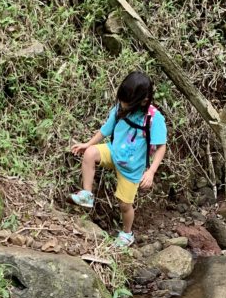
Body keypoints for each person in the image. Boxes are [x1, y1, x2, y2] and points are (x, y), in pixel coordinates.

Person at [69, 71, 167, 247]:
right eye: (122, 99)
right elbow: (105, 130)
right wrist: (87, 144)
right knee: (90, 153)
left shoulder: (154, 118)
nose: (122, 104)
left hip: (132, 169)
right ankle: (87, 194)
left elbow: (161, 146)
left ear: (143, 100)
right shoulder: (120, 108)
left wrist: (151, 171)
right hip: (113, 152)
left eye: (127, 101)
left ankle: (127, 234)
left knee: (124, 205)